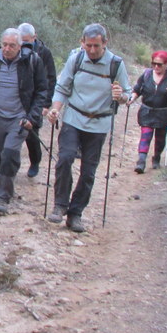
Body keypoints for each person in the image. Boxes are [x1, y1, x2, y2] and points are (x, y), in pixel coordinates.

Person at [46, 23, 130, 233]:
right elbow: (62, 87)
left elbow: (127, 95)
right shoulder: (76, 59)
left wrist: (121, 97)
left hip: (99, 124)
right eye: (88, 45)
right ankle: (60, 205)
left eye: (96, 46)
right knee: (65, 158)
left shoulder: (116, 65)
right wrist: (55, 110)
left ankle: (75, 214)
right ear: (82, 43)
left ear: (105, 44)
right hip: (73, 118)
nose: (92, 50)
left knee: (88, 172)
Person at [0, 28, 49, 214]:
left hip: (19, 118)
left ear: (20, 46)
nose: (7, 49)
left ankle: (3, 197)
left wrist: (32, 117)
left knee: (9, 155)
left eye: (12, 46)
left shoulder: (32, 61)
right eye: (4, 45)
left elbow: (42, 91)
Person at [128, 50, 167, 173]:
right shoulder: (146, 74)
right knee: (146, 135)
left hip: (164, 113)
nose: (156, 66)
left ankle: (156, 158)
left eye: (159, 64)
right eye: (153, 63)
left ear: (166, 64)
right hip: (147, 111)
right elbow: (137, 89)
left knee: (160, 138)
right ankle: (141, 161)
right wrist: (132, 99)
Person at [17, 22, 56, 178]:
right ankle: (12, 165)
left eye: (27, 40)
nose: (24, 44)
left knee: (31, 134)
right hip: (19, 98)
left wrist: (46, 103)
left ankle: (35, 162)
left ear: (34, 37)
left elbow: (51, 78)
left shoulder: (44, 53)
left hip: (36, 99)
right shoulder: (15, 48)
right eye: (22, 40)